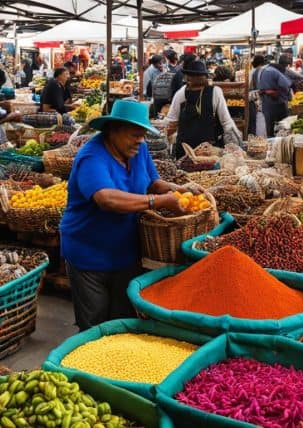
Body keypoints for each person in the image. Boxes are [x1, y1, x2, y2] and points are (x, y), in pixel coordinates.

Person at [60, 100, 200, 331]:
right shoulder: (91, 156)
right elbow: (106, 198)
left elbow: (153, 182)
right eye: (135, 134)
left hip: (126, 252)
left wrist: (179, 190)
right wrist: (157, 202)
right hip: (89, 254)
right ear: (113, 130)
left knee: (122, 320)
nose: (141, 140)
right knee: (95, 324)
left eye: (143, 134)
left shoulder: (138, 150)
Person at [166, 60, 240, 159]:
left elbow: (171, 121)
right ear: (205, 77)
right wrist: (236, 145)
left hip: (190, 150)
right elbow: (226, 122)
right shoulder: (214, 92)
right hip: (206, 150)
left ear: (188, 77)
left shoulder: (181, 93)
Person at [254, 57, 292, 138]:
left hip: (267, 105)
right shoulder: (272, 71)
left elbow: (259, 90)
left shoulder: (258, 71)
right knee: (283, 128)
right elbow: (286, 86)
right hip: (277, 105)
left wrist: (264, 91)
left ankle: (271, 145)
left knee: (270, 130)